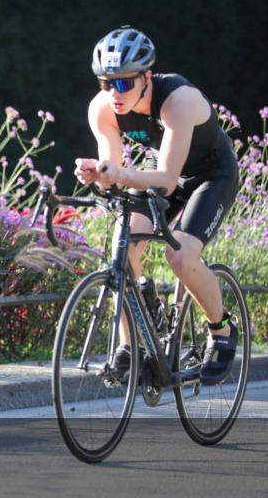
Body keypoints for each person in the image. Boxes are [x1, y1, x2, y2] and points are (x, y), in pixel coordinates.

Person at [74, 26, 240, 385]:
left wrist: (119, 173)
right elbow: (113, 170)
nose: (114, 93)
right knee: (123, 247)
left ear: (146, 77)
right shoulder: (102, 108)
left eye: (123, 83)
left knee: (180, 256)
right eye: (106, 83)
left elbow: (165, 180)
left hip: (211, 176)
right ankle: (130, 345)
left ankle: (222, 331)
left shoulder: (178, 99)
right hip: (165, 173)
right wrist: (97, 173)